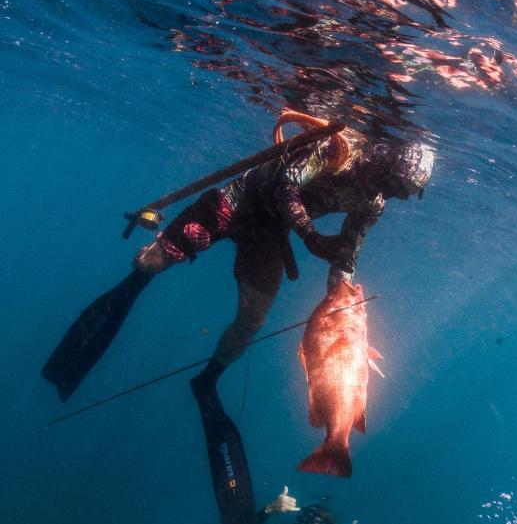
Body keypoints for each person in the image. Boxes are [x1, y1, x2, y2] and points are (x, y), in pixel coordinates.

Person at [42, 117, 434, 400]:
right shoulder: (339, 148)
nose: (396, 196)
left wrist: (339, 308)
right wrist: (310, 236)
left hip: (269, 232)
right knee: (150, 264)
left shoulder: (374, 202)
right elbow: (285, 185)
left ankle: (208, 380)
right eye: (398, 186)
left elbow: (347, 258)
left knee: (253, 318)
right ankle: (118, 302)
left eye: (404, 192)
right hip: (237, 201)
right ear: (387, 164)